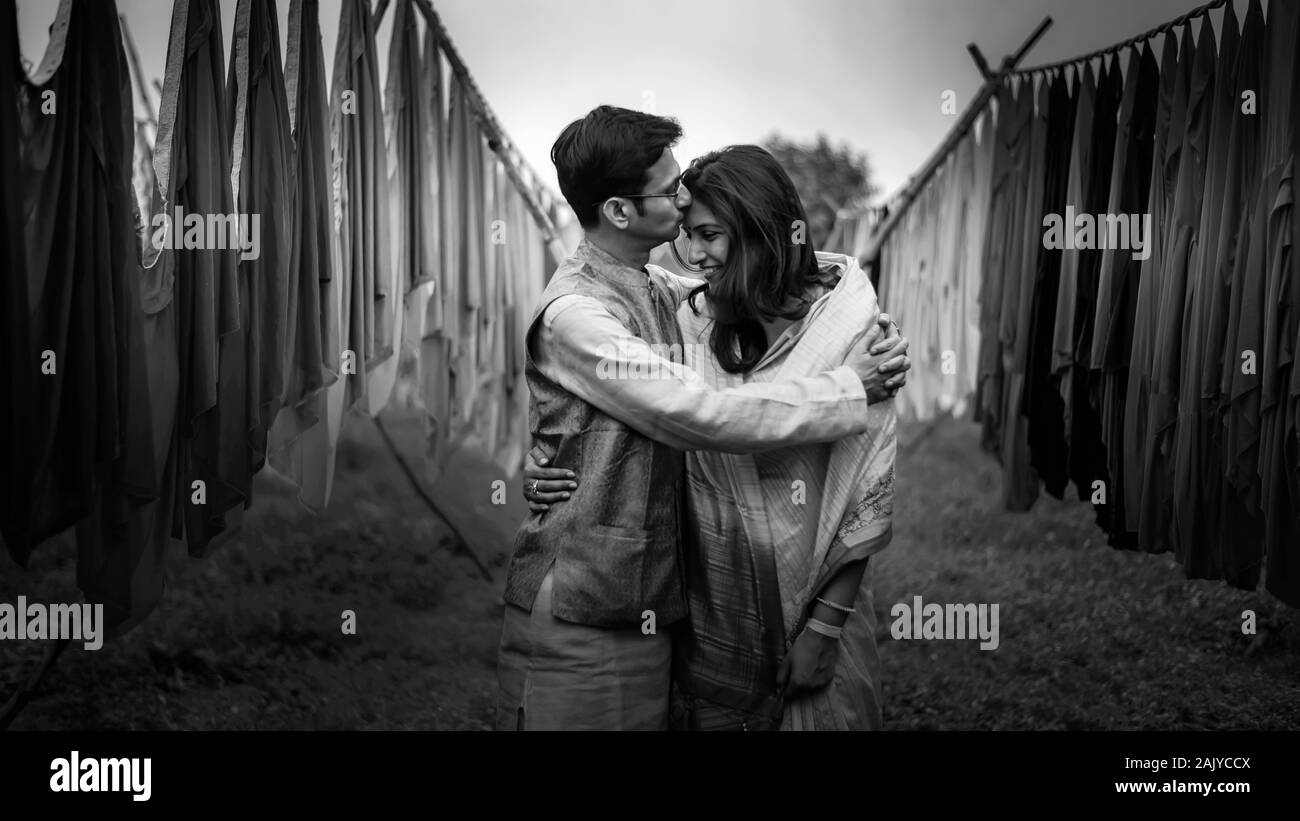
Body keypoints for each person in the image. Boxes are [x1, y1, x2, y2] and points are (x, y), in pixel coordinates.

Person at [497, 109, 910, 731]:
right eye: (671, 196)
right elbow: (697, 413)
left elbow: (860, 484)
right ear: (618, 211)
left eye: (707, 227)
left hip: (659, 607)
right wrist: (850, 389)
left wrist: (823, 625)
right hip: (592, 603)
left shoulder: (678, 295)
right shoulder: (587, 315)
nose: (682, 203)